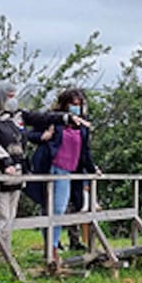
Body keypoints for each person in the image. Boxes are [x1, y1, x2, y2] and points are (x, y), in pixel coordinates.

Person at [0, 81, 78, 260]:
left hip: (18, 171)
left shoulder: (18, 115)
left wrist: (65, 118)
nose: (13, 100)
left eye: (14, 96)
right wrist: (6, 162)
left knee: (10, 216)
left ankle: (4, 253)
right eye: (9, 96)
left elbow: (42, 118)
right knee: (1, 216)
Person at [28, 88, 98, 261]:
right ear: (65, 104)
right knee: (51, 208)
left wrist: (92, 169)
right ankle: (52, 247)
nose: (76, 107)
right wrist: (44, 136)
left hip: (68, 171)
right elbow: (30, 135)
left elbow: (85, 151)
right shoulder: (54, 119)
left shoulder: (82, 125)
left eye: (79, 104)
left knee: (58, 209)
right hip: (49, 167)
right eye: (73, 104)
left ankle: (51, 245)